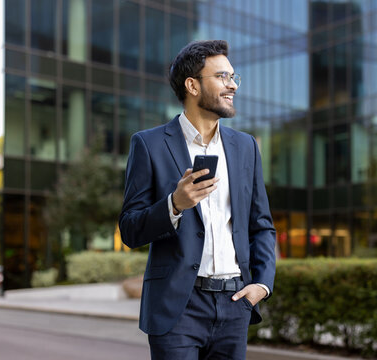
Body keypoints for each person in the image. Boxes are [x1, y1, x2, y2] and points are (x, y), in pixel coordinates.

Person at [119, 40, 276, 360]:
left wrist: (262, 285)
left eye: (234, 77)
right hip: (177, 308)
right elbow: (130, 229)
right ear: (192, 85)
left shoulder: (246, 147)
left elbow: (261, 226)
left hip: (235, 304)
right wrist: (173, 205)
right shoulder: (149, 145)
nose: (232, 85)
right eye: (222, 77)